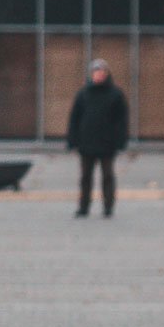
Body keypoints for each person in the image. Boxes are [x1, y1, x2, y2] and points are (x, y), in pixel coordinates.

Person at [67, 59, 128, 218]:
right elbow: (75, 118)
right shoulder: (83, 94)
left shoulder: (116, 94)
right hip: (86, 143)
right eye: (96, 71)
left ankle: (108, 207)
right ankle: (83, 207)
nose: (99, 75)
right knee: (85, 177)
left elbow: (122, 120)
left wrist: (121, 141)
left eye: (102, 71)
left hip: (108, 143)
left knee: (107, 176)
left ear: (107, 74)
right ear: (91, 74)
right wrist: (72, 140)